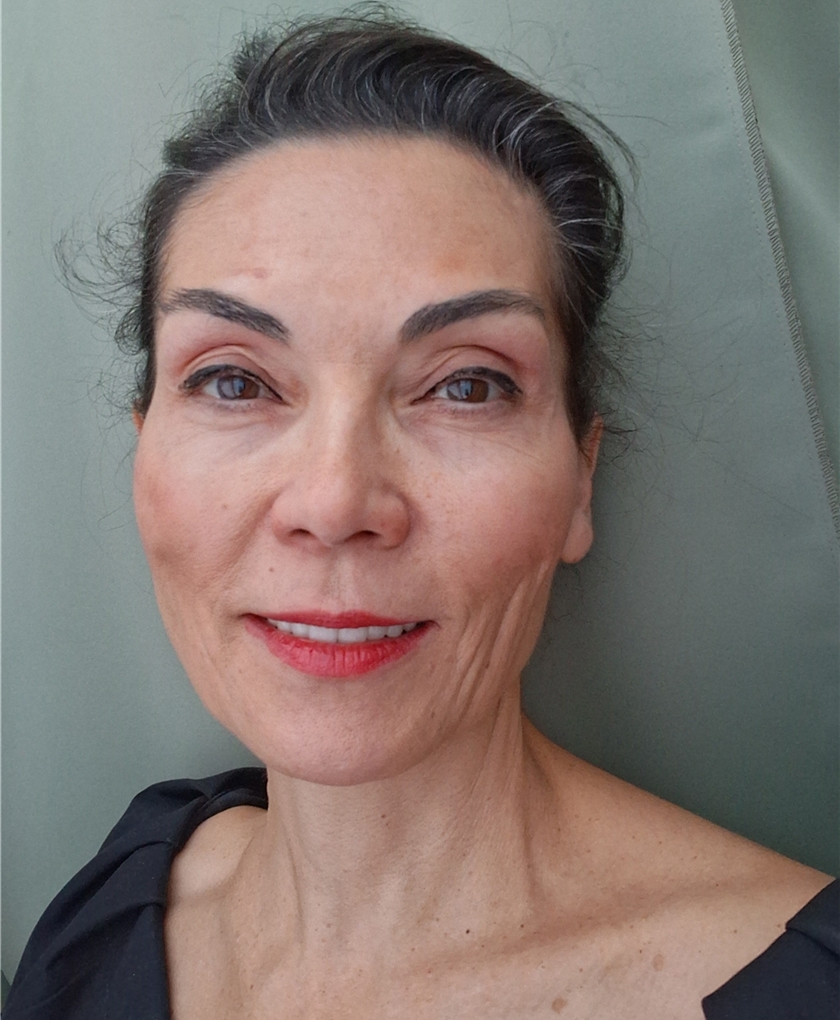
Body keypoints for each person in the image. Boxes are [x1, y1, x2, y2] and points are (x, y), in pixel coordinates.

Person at [6, 12, 837, 1019]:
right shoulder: (114, 902)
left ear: (580, 480)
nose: (334, 502)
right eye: (234, 381)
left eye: (467, 386)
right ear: (145, 449)